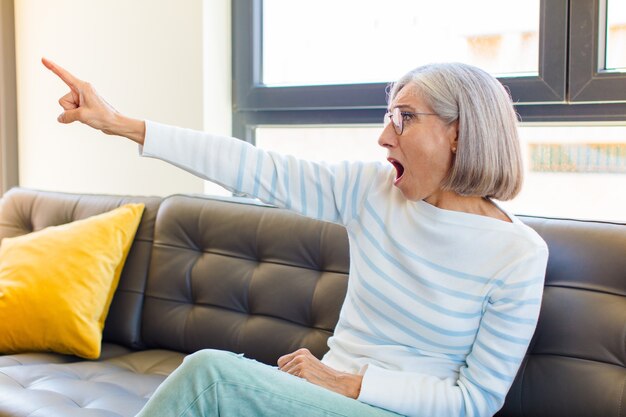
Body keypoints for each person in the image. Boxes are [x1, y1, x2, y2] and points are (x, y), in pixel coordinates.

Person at [43, 57, 549, 417]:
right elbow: (253, 167)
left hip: (386, 408)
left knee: (212, 376)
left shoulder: (517, 255)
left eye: (404, 117)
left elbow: (475, 403)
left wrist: (349, 384)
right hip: (321, 399)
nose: (384, 135)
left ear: (458, 132)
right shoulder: (372, 192)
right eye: (387, 115)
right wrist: (119, 124)